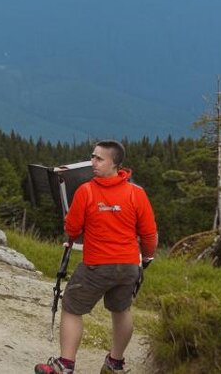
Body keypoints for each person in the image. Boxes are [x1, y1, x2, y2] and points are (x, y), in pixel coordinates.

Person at [36, 140, 158, 374]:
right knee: (121, 310)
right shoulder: (136, 194)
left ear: (115, 163)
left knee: (72, 306)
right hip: (129, 265)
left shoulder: (87, 191)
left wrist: (71, 233)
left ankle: (65, 365)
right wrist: (148, 258)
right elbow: (149, 233)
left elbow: (72, 228)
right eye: (93, 157)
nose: (93, 162)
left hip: (96, 265)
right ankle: (115, 363)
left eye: (99, 158)